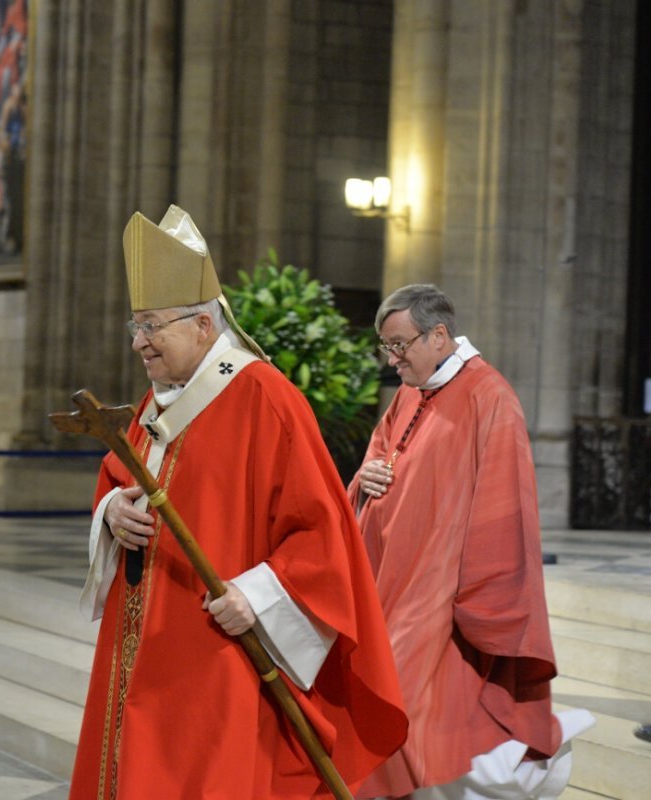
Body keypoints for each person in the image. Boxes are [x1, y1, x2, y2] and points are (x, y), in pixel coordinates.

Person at [70, 205, 407, 799]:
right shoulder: (158, 404)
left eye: (151, 326)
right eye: (135, 327)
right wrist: (112, 514)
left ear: (203, 326)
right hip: (140, 647)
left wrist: (256, 597)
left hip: (213, 650)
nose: (138, 344)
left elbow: (321, 532)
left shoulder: (264, 398)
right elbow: (119, 477)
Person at [349, 284, 595, 799]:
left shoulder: (490, 396)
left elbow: (505, 506)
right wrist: (365, 478)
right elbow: (380, 456)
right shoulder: (409, 393)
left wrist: (481, 597)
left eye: (400, 346)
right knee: (393, 703)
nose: (392, 360)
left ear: (439, 335)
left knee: (414, 708)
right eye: (386, 347)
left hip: (443, 588)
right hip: (393, 578)